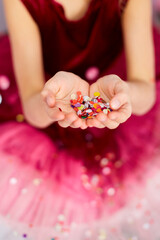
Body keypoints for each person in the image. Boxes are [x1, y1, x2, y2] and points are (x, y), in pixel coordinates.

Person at [0, 0, 160, 239]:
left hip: (118, 100)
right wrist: (50, 102)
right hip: (48, 118)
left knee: (117, 210)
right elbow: (32, 104)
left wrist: (127, 94)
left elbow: (146, 91)